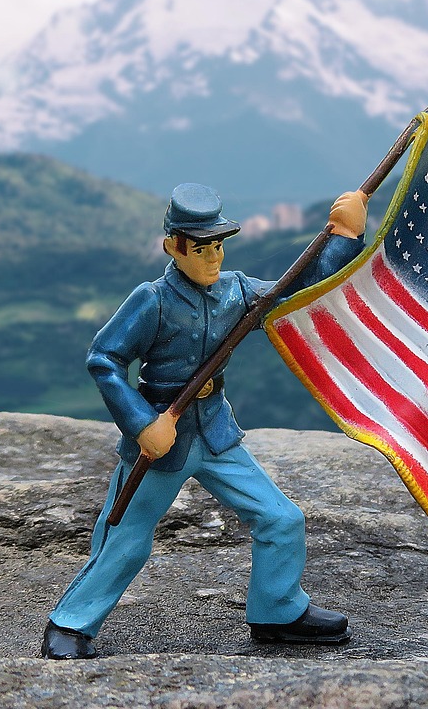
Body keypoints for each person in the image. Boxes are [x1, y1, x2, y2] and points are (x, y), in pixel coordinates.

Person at [41, 183, 368, 660]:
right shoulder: (151, 300)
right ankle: (70, 622)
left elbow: (298, 291)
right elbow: (104, 359)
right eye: (200, 247)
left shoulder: (236, 291)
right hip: (161, 439)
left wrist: (344, 236)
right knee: (126, 540)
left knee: (281, 518)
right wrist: (140, 422)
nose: (212, 256)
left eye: (217, 245)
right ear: (174, 245)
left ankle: (278, 612)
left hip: (214, 433)